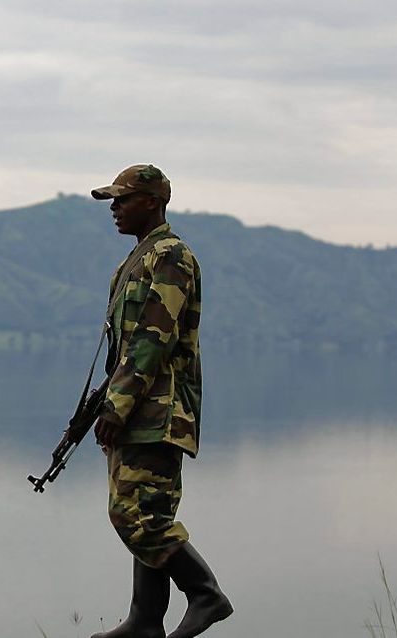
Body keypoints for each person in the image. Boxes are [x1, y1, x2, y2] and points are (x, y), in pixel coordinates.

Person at [87, 164, 233, 638]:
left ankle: (205, 593)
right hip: (140, 408)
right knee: (148, 509)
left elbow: (153, 338)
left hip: (159, 410)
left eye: (122, 199)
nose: (114, 208)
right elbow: (124, 347)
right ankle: (145, 620)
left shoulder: (171, 256)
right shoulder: (136, 259)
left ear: (152, 201)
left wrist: (117, 406)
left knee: (135, 515)